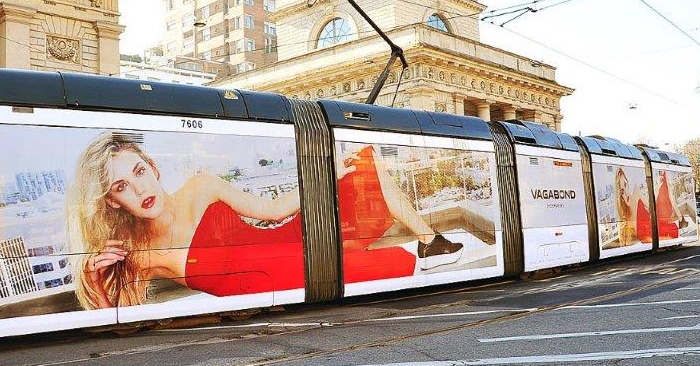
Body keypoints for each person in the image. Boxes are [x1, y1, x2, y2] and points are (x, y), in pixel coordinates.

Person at [68, 132, 472, 309]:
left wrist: (327, 173)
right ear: (113, 201)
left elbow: (276, 211)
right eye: (121, 187)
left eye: (138, 172)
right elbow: (122, 323)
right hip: (280, 279)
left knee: (363, 163)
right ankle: (421, 249)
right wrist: (92, 276)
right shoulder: (138, 253)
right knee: (387, 266)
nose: (138, 190)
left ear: (152, 166)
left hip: (284, 243)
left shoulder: (201, 186)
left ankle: (428, 240)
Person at [615, 167, 652, 245]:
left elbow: (652, 207)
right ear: (620, 198)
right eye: (622, 191)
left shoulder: (636, 193)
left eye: (625, 185)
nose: (626, 193)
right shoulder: (625, 220)